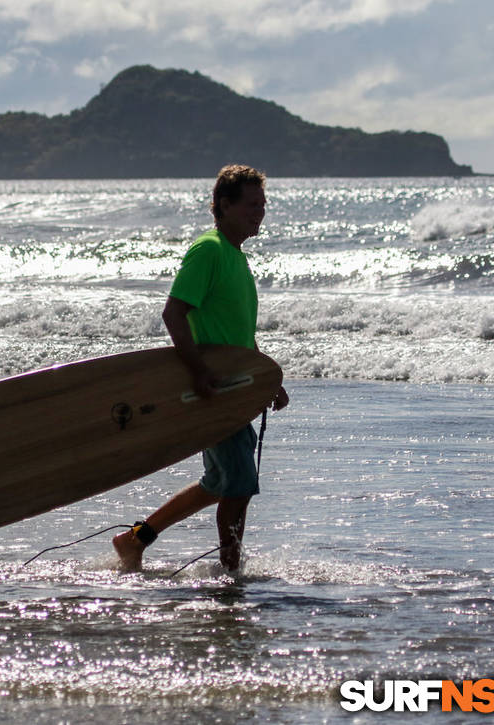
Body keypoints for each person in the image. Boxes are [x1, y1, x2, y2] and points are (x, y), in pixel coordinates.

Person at [112, 164, 289, 573]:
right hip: (214, 392)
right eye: (251, 205)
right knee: (239, 484)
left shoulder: (236, 258)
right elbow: (174, 314)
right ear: (224, 206)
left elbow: (238, 336)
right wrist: (198, 373)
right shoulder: (209, 250)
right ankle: (232, 577)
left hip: (236, 389)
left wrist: (266, 380)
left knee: (219, 483)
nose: (259, 213)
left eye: (263, 205)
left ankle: (133, 540)